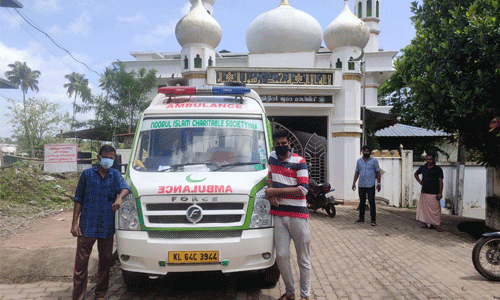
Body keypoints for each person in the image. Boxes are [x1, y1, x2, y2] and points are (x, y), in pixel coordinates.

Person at [71, 145, 130, 300]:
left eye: (111, 158)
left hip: (106, 227)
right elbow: (78, 200)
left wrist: (119, 198)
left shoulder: (115, 174)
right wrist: (74, 223)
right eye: (106, 157)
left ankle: (100, 295)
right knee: (80, 265)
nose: (108, 161)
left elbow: (125, 188)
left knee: (104, 263)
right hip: (87, 226)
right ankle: (78, 297)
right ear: (98, 157)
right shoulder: (87, 175)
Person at [265, 129, 311, 300]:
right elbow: (270, 176)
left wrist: (274, 191)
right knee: (282, 256)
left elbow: (303, 190)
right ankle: (290, 292)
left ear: (289, 143)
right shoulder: (272, 157)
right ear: (274, 145)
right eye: (278, 144)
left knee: (303, 258)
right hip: (279, 214)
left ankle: (305, 296)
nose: (281, 146)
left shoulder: (300, 162)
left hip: (298, 216)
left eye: (284, 144)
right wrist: (272, 193)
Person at [352, 145, 381, 226]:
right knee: (362, 202)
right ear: (362, 152)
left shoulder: (374, 161)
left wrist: (379, 183)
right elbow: (357, 172)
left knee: (372, 202)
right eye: (365, 151)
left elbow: (378, 172)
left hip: (370, 185)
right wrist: (354, 183)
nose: (366, 152)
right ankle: (361, 218)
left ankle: (373, 220)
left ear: (370, 152)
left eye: (368, 151)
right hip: (361, 185)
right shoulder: (359, 161)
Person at [414, 153, 444, 232]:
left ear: (433, 160)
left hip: (434, 193)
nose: (429, 161)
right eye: (427, 159)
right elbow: (416, 174)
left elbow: (440, 181)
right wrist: (420, 181)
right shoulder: (423, 168)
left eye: (430, 159)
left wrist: (440, 193)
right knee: (425, 210)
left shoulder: (438, 169)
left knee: (436, 210)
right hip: (425, 192)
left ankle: (437, 225)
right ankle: (427, 224)